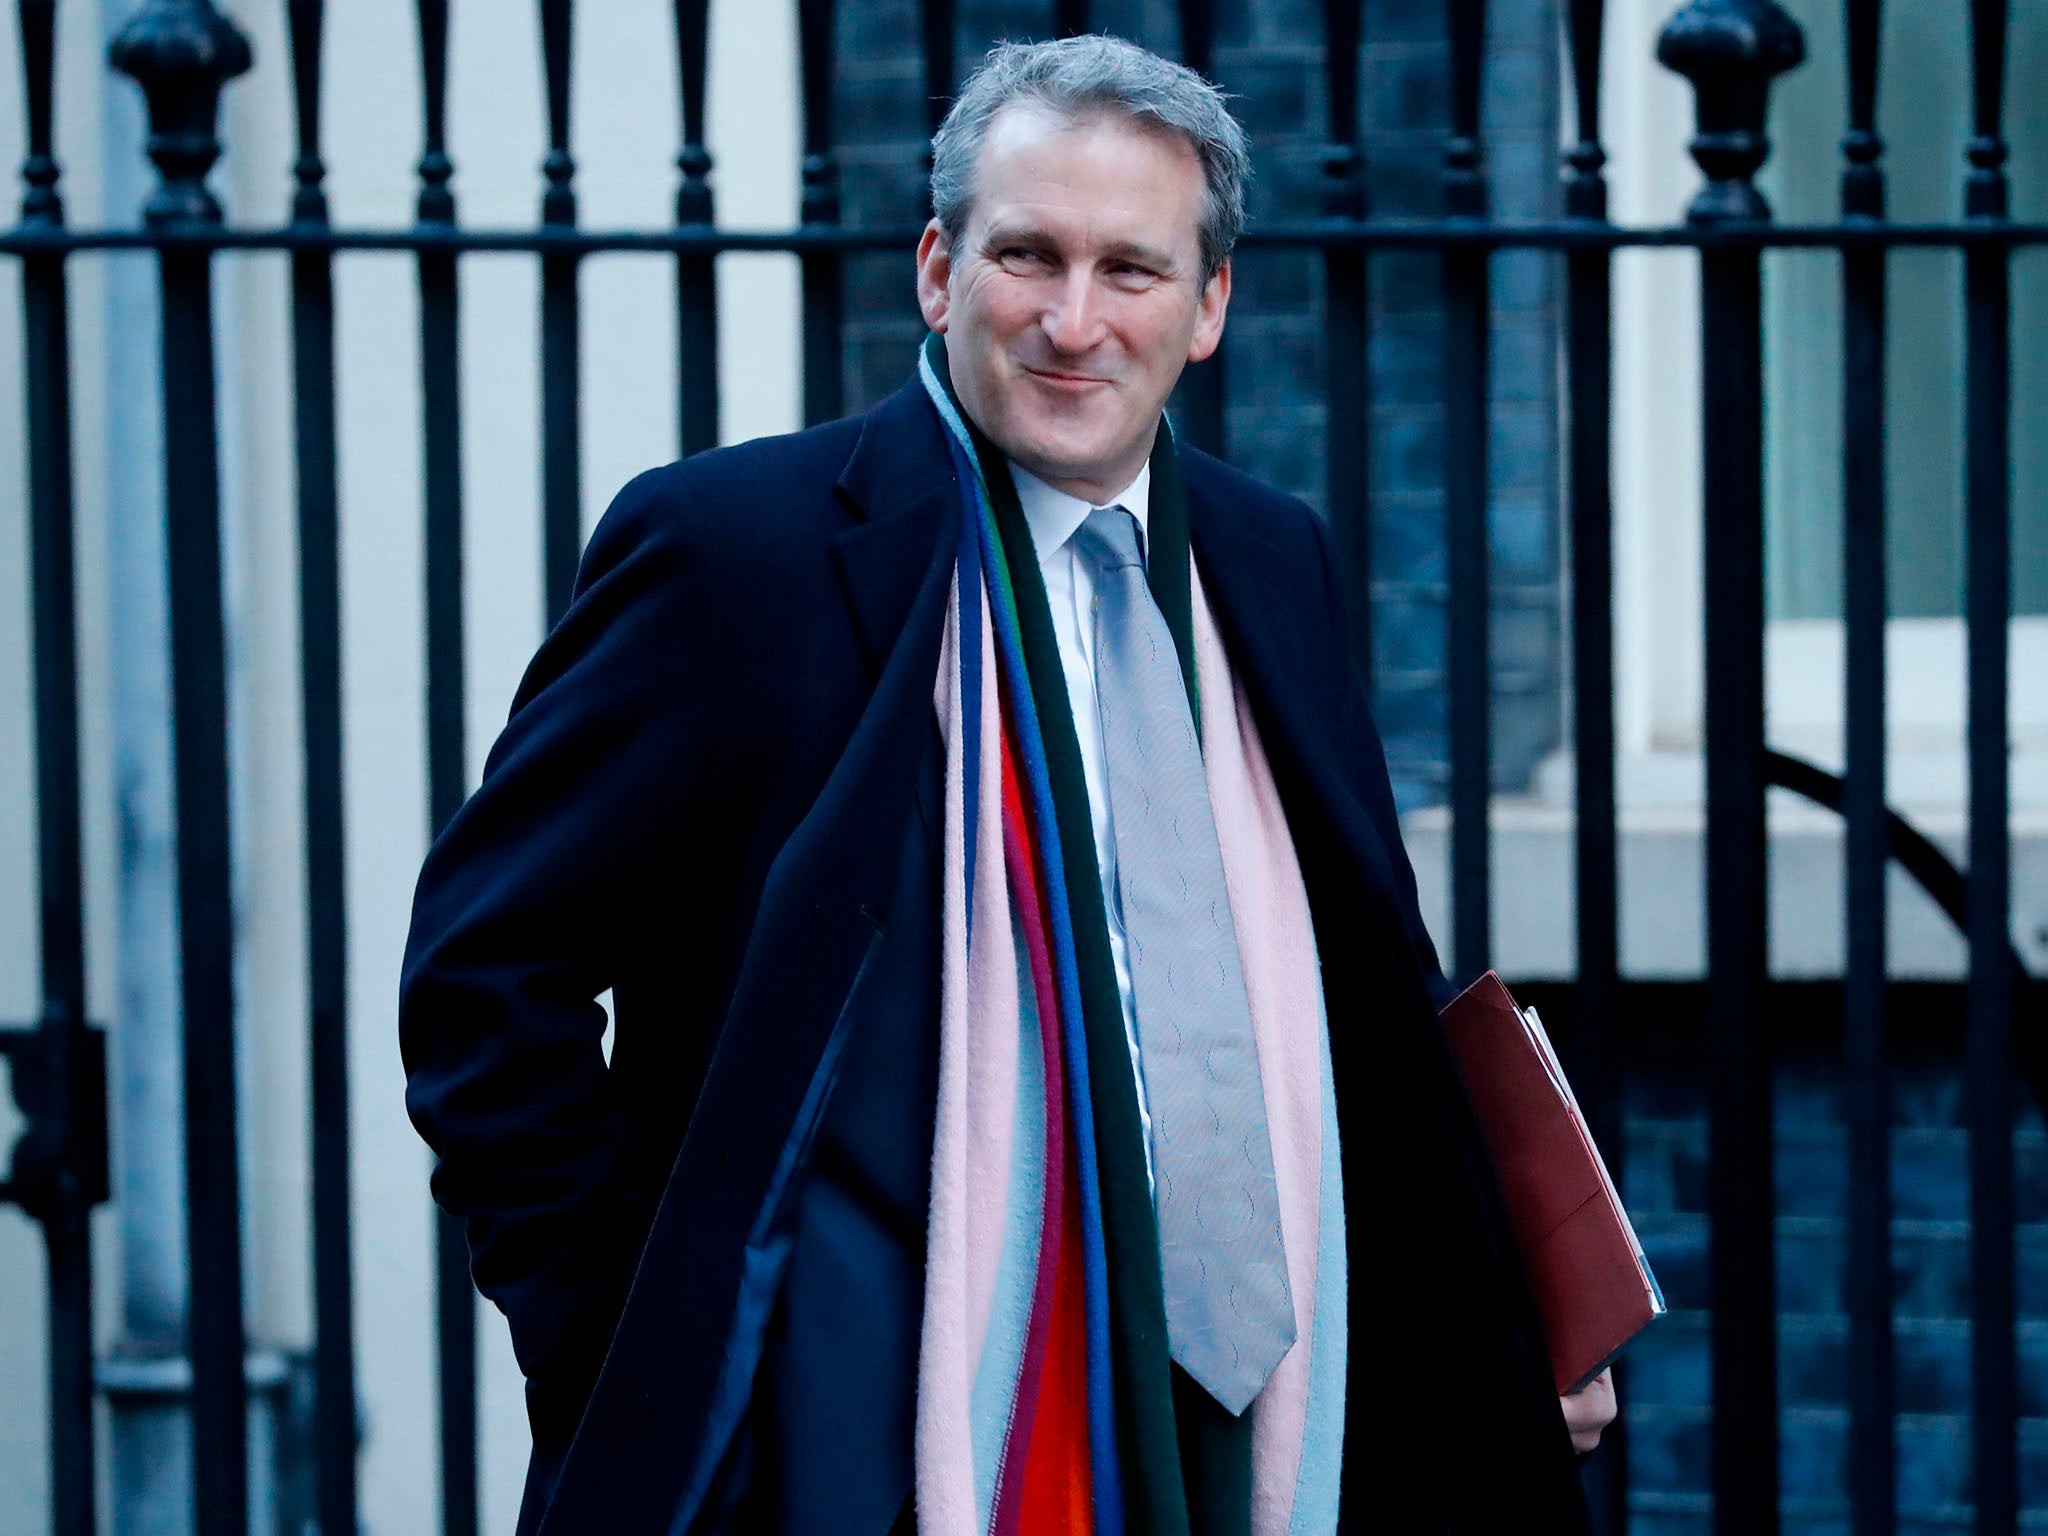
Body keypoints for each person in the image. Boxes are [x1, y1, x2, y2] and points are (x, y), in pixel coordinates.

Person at [400, 34, 1614, 1536]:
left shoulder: (1267, 557)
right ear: (937, 269)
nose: (1073, 321)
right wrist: (621, 1350)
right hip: (863, 1441)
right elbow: (482, 980)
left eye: (1133, 270)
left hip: (1268, 1426)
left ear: (1211, 306)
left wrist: (1496, 1314)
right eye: (1026, 254)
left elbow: (1368, 983)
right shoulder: (737, 557)